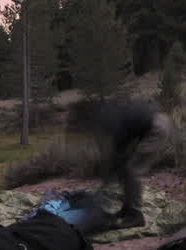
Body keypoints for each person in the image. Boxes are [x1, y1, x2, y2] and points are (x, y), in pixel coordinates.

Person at [70, 97, 172, 228]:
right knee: (124, 169)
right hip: (149, 125)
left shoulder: (109, 121)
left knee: (132, 171)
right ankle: (127, 208)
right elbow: (116, 153)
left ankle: (136, 215)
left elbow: (119, 152)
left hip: (157, 128)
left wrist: (108, 176)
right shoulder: (103, 116)